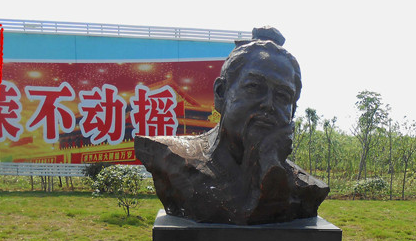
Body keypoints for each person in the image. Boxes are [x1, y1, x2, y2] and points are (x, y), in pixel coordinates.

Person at [134, 27, 329, 225]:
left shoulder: (305, 189)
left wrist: (272, 171)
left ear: (292, 111)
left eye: (283, 96)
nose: (268, 104)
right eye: (254, 87)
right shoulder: (171, 156)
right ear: (221, 93)